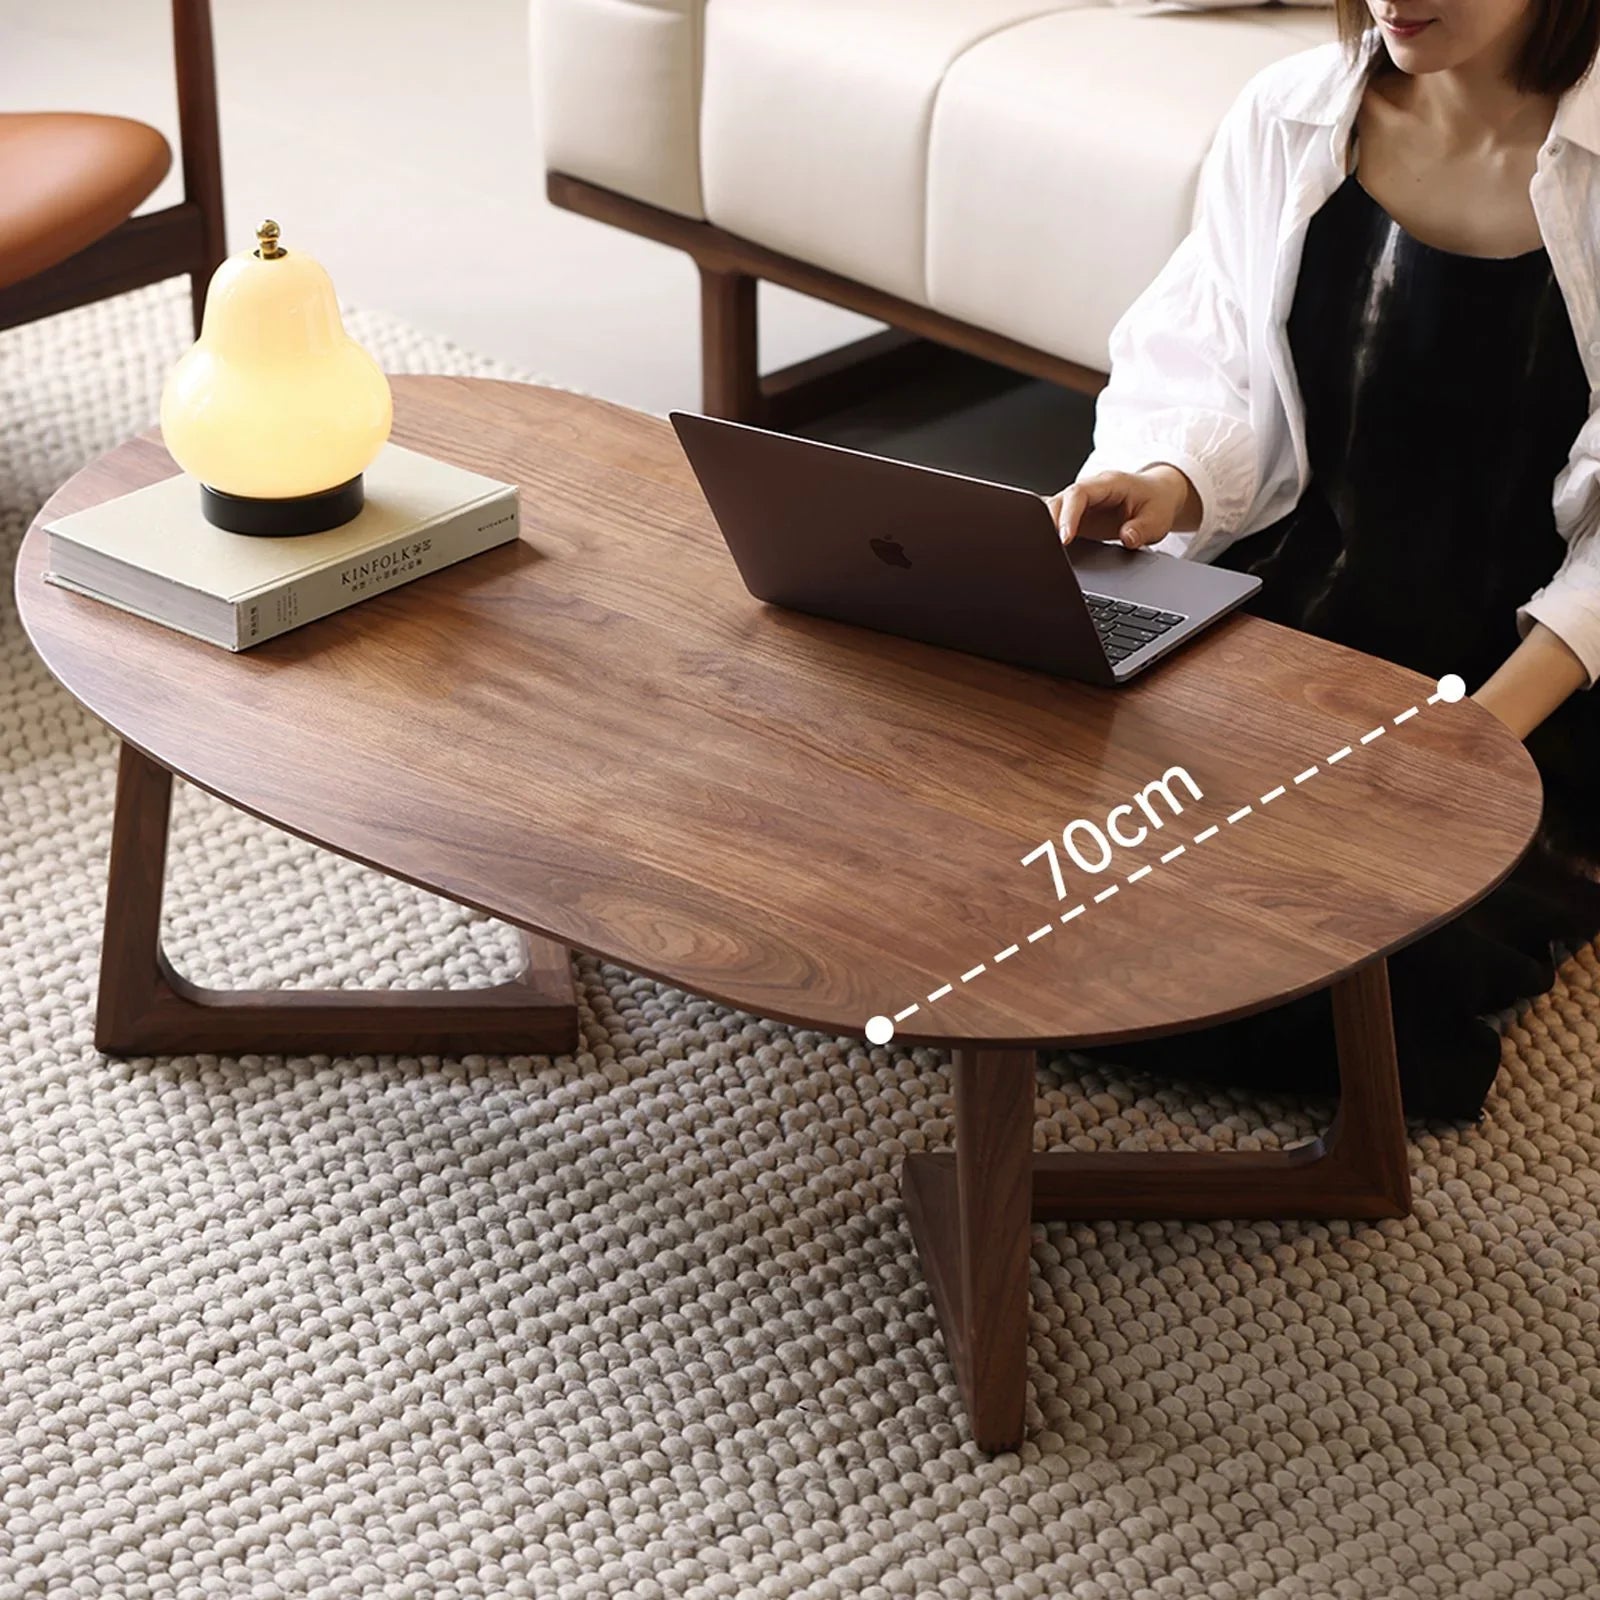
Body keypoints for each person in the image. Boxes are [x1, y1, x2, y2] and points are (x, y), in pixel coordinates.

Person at [1047, 0, 1600, 1119]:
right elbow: (1209, 362)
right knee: (1020, 838)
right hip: (1304, 616)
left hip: (1536, 683)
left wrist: (1474, 739)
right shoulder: (1289, 116)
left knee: (1365, 975)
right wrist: (1165, 482)